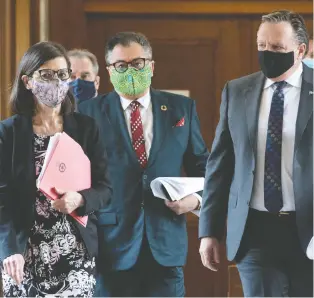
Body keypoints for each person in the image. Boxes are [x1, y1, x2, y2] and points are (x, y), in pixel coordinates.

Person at [79, 32, 209, 297]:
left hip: (166, 243)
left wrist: (194, 201)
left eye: (137, 63)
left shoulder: (180, 109)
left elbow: (204, 167)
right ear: (109, 70)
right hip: (110, 246)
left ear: (151, 66)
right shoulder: (87, 113)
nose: (130, 71)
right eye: (121, 66)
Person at [199, 10, 313, 297]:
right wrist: (209, 231)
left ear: (300, 50)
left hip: (309, 228)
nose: (267, 53)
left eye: (276, 48)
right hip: (255, 231)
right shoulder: (238, 91)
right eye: (262, 46)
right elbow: (220, 165)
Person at [0, 41, 112, 297]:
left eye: (62, 74)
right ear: (28, 81)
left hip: (75, 252)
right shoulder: (8, 133)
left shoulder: (86, 128)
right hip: (24, 252)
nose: (56, 81)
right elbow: (2, 199)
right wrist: (8, 250)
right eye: (46, 75)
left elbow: (106, 189)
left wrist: (81, 198)